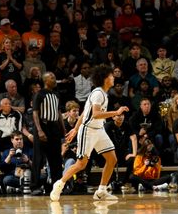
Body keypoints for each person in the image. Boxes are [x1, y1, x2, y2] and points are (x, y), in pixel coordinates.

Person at [50, 64, 130, 202]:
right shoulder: (98, 93)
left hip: (99, 130)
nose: (113, 78)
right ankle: (59, 184)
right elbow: (96, 114)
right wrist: (116, 113)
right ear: (105, 78)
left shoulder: (102, 93)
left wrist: (75, 128)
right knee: (81, 164)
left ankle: (101, 191)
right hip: (88, 131)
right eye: (111, 76)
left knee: (112, 159)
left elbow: (85, 112)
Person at [30, 72, 65, 196]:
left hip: (54, 127)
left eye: (55, 77)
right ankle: (34, 186)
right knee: (38, 158)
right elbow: (35, 113)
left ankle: (56, 187)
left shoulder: (56, 94)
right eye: (52, 77)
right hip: (42, 126)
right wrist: (39, 130)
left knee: (56, 159)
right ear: (45, 80)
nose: (54, 79)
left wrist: (63, 129)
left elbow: (59, 112)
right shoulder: (39, 94)